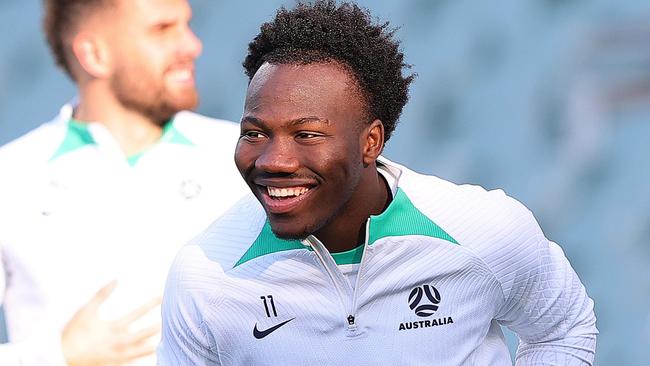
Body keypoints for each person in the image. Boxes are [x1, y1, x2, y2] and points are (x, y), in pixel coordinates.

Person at [158, 1, 598, 365]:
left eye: (307, 134)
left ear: (371, 141)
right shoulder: (206, 275)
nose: (274, 160)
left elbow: (563, 329)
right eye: (255, 133)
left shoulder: (483, 230)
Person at [0, 0, 247, 365]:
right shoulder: (11, 175)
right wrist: (58, 356)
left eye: (186, 25)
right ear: (95, 54)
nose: (192, 45)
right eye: (162, 30)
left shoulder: (246, 159)